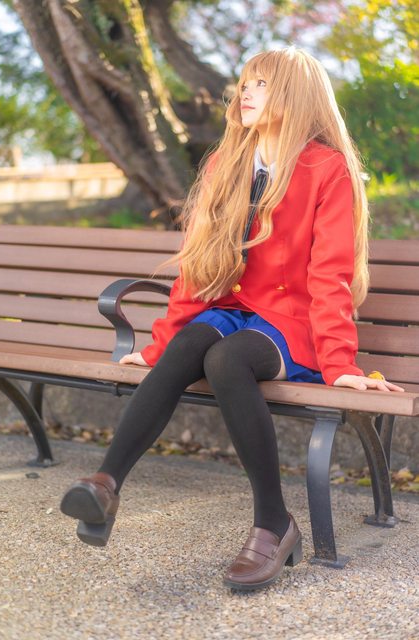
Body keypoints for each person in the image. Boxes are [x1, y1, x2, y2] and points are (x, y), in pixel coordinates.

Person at [60, 46, 404, 592]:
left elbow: (330, 275)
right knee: (192, 341)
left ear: (294, 95)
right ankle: (105, 484)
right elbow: (197, 266)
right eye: (245, 82)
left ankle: (272, 522)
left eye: (261, 84)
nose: (245, 92)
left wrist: (339, 364)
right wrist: (158, 348)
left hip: (291, 324)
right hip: (234, 309)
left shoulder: (326, 168)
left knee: (226, 359)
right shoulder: (227, 162)